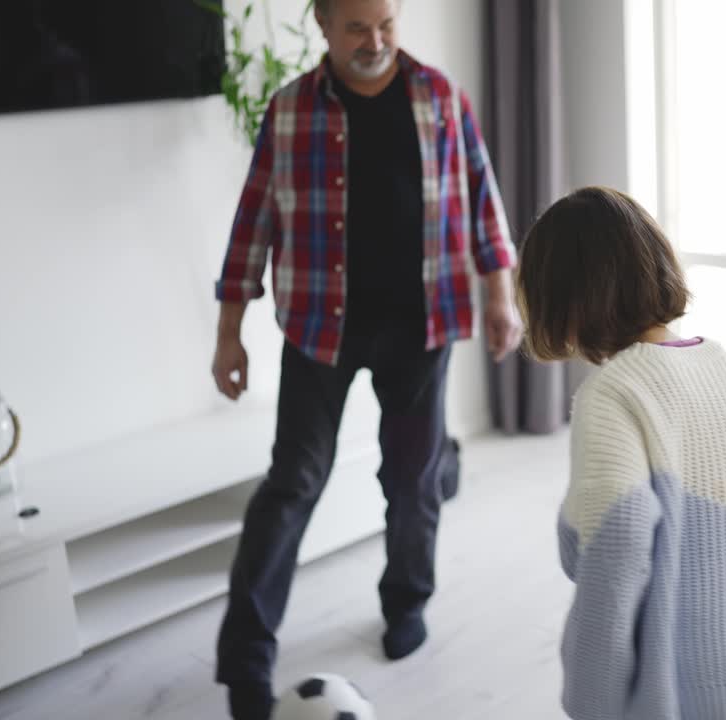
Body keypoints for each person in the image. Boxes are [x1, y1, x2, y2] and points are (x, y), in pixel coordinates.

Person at [209, 1, 520, 717]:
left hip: (423, 323)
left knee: (413, 482)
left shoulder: (440, 97)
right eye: (356, 27)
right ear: (322, 24)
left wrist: (500, 295)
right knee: (293, 482)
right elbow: (251, 222)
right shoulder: (290, 112)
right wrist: (229, 332)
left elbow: (482, 199)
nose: (375, 41)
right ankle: (246, 661)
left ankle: (406, 603)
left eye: (386, 23)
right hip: (321, 328)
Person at [516, 186, 726, 720]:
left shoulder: (613, 393)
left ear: (560, 302)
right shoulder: (715, 362)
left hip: (692, 690)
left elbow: (619, 535)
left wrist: (591, 700)